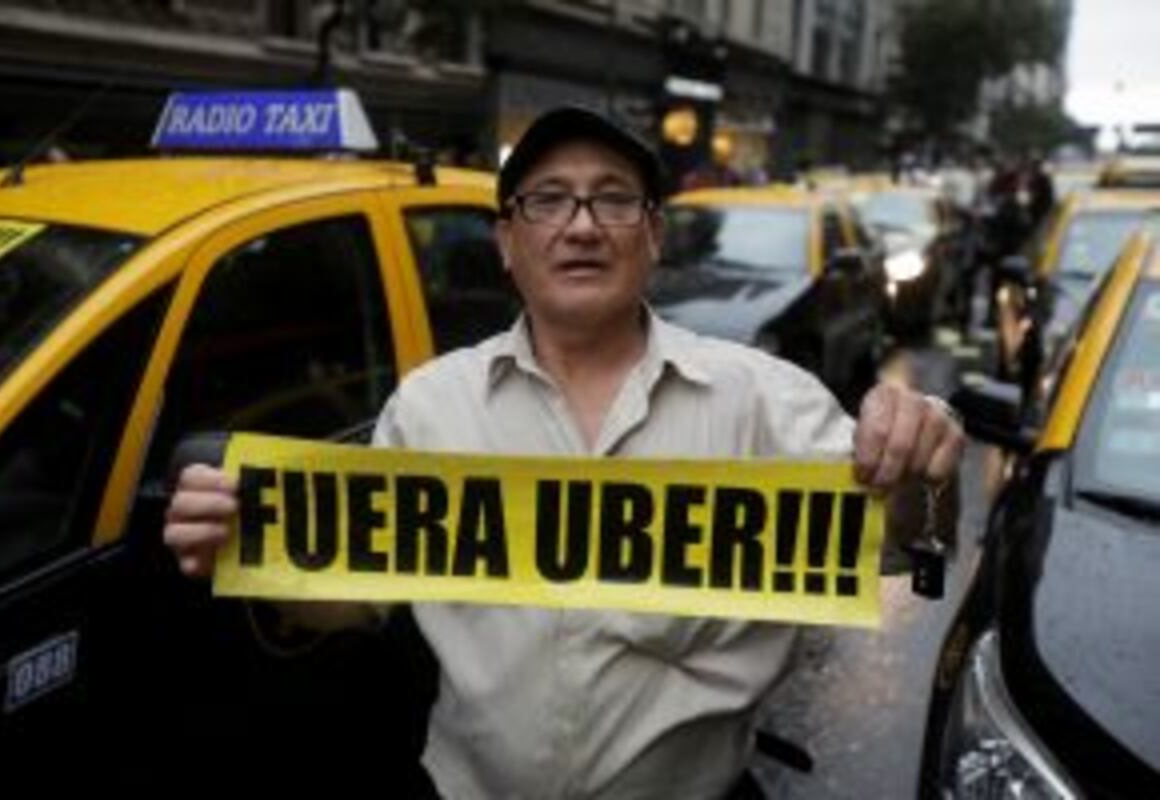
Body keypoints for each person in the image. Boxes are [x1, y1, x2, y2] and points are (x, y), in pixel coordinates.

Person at [164, 106, 965, 799]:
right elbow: (357, 601)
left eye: (612, 199)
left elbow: (908, 540)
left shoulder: (768, 401)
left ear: (653, 236)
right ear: (507, 242)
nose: (580, 224)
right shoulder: (429, 407)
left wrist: (923, 460)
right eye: (547, 200)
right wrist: (259, 558)